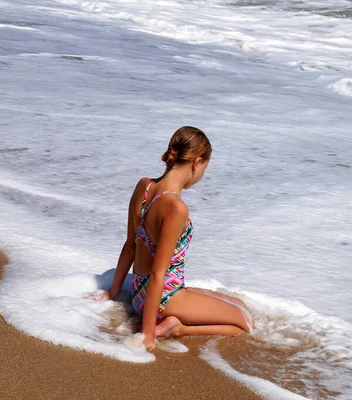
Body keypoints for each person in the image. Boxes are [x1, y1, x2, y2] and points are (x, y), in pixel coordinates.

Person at [98, 126, 252, 351]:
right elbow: (159, 274)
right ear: (196, 162)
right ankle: (177, 329)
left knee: (238, 303)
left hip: (139, 291)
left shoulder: (144, 186)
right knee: (244, 322)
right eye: (204, 169)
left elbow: (129, 247)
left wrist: (112, 292)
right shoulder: (175, 207)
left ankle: (166, 321)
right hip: (164, 298)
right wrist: (147, 335)